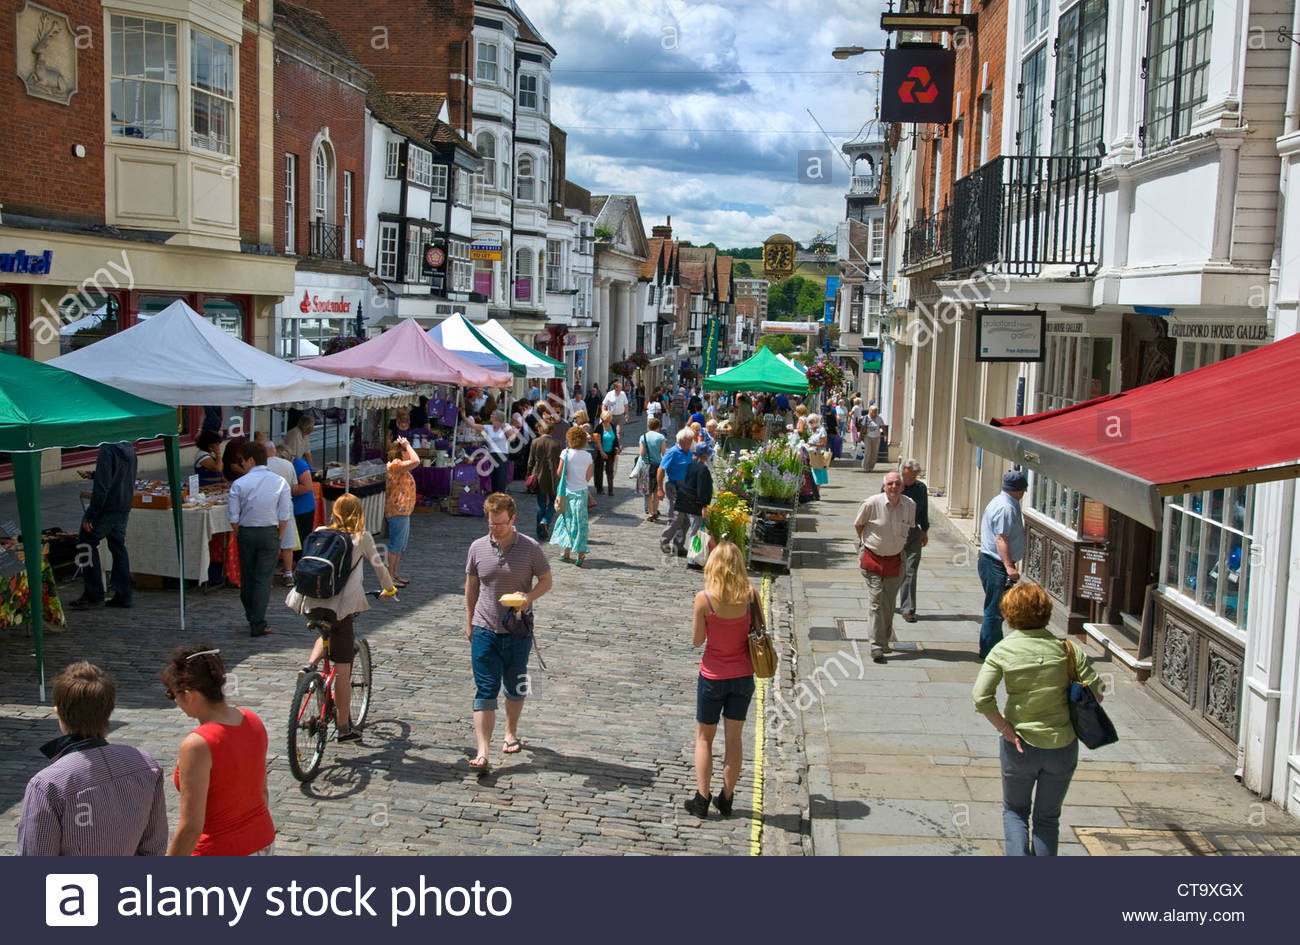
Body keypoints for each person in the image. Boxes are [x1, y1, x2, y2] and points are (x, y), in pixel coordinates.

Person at [973, 582, 1103, 856]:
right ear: (1045, 612)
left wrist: (1005, 729)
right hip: (1061, 745)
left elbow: (981, 697)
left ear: (1009, 616)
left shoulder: (1002, 650)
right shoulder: (1068, 650)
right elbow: (1098, 693)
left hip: (1019, 744)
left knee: (1015, 812)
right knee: (1047, 819)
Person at [18, 661, 168, 855]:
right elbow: (153, 850)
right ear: (109, 711)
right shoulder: (146, 766)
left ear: (58, 713)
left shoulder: (47, 786)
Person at [287, 494, 397, 740]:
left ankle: (310, 666)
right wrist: (389, 589)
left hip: (311, 601)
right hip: (340, 607)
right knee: (343, 668)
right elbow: (381, 568)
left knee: (324, 633)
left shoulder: (319, 531)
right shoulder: (362, 537)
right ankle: (345, 727)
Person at [464, 493, 553, 773]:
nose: (495, 529)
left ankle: (511, 731)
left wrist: (528, 597)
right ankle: (482, 752)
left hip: (517, 631)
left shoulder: (530, 548)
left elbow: (547, 581)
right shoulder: (477, 547)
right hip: (484, 628)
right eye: (491, 524)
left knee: (515, 687)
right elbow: (471, 588)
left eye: (500, 524)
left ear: (512, 519)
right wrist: (470, 622)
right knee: (485, 689)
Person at [161, 645, 275, 855]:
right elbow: (262, 792)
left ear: (188, 694)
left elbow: (191, 827)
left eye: (172, 694)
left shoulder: (197, 745)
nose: (175, 701)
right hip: (262, 841)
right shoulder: (252, 719)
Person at [684, 541, 757, 819]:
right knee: (734, 740)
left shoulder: (705, 599)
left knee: (704, 738)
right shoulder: (751, 596)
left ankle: (702, 798)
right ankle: (726, 798)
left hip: (713, 676)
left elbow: (697, 640)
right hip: (742, 676)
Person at [227, 440, 292, 638]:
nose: (242, 465)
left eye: (243, 461)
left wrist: (240, 532)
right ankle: (257, 620)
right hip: (269, 531)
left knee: (248, 576)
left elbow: (233, 517)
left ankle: (253, 617)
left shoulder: (239, 483)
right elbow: (284, 514)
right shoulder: (280, 482)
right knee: (263, 578)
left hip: (247, 531)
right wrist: (279, 535)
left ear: (251, 460)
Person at [853, 471, 916, 664]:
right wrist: (867, 544)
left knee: (888, 604)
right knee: (876, 601)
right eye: (890, 484)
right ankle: (876, 646)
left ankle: (884, 640)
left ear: (903, 487)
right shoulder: (871, 503)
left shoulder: (910, 505)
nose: (894, 487)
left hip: (895, 560)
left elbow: (910, 529)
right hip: (873, 558)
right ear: (884, 486)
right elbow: (859, 525)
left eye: (897, 484)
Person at [69, 441, 137, 610]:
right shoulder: (128, 448)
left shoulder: (108, 450)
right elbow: (119, 474)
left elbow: (102, 487)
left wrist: (90, 515)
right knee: (118, 546)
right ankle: (123, 593)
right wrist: (95, 474)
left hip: (108, 507)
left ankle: (94, 594)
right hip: (122, 504)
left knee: (85, 542)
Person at [979, 470, 1028, 660]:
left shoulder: (1000, 501)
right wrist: (1009, 567)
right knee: (994, 610)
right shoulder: (1006, 508)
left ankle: (993, 648)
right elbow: (1001, 539)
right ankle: (990, 651)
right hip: (995, 564)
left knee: (997, 609)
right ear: (1020, 490)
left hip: (991, 562)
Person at [551, 426, 595, 566]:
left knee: (566, 520)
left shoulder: (566, 453)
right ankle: (580, 553)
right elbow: (588, 478)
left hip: (568, 492)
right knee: (579, 522)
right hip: (581, 492)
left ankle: (566, 551)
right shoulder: (588, 456)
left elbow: (559, 472)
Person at [263, 440, 301, 586]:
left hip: (267, 505)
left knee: (270, 540)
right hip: (285, 503)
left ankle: (269, 573)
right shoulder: (288, 464)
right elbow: (293, 486)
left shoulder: (262, 465)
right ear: (274, 450)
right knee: (287, 542)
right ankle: (288, 573)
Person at [897, 460, 930, 623]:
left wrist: (924, 530)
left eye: (916, 475)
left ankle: (908, 608)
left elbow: (923, 511)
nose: (914, 478)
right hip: (895, 532)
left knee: (910, 570)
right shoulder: (893, 484)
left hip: (913, 532)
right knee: (893, 570)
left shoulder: (920, 488)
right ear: (904, 470)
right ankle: (887, 601)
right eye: (912, 474)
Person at [385, 436, 420, 586]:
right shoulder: (395, 465)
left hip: (403, 511)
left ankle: (394, 574)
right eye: (406, 451)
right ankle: (389, 577)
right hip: (397, 511)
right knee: (395, 545)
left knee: (400, 545)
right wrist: (407, 445)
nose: (409, 452)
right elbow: (416, 460)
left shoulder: (400, 467)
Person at [657, 427, 697, 556]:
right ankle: (664, 540)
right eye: (690, 440)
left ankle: (679, 545)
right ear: (682, 440)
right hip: (674, 487)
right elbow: (661, 470)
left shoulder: (689, 452)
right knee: (677, 516)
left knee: (685, 518)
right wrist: (659, 489)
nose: (692, 442)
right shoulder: (672, 452)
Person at [675, 442, 715, 556]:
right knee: (694, 531)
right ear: (706, 455)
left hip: (683, 499)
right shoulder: (703, 470)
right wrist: (704, 505)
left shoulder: (689, 464)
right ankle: (692, 558)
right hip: (694, 503)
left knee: (682, 526)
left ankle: (677, 547)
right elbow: (703, 489)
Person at [526, 420, 563, 541]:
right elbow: (560, 462)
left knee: (541, 504)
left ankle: (540, 532)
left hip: (538, 475)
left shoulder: (535, 442)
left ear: (540, 429)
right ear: (552, 430)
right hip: (553, 477)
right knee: (553, 503)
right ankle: (545, 521)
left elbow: (530, 461)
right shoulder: (557, 443)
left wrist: (528, 475)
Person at [462, 409, 514, 495]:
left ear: (497, 417)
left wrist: (503, 426)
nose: (490, 416)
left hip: (502, 456)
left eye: (492, 415)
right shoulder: (488, 427)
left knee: (500, 480)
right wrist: (464, 417)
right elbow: (473, 425)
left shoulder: (506, 426)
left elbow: (513, 438)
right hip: (492, 455)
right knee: (493, 479)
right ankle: (494, 498)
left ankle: (500, 498)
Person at [288, 447, 316, 561]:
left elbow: (307, 486)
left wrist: (286, 489)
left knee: (302, 537)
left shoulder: (299, 465)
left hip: (302, 507)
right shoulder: (294, 464)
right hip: (296, 507)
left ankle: (302, 562)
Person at [638, 417, 667, 521]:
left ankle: (650, 513)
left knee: (647, 491)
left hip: (646, 465)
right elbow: (664, 453)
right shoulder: (661, 437)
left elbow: (641, 453)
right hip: (658, 465)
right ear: (658, 427)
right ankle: (655, 511)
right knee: (656, 489)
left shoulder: (643, 437)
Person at [593, 410, 621, 496]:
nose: (611, 418)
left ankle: (610, 490)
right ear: (606, 418)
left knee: (610, 471)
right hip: (600, 452)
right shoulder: (598, 427)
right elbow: (597, 441)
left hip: (610, 452)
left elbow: (615, 438)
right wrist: (602, 452)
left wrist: (617, 447)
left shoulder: (612, 425)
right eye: (610, 416)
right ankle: (599, 488)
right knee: (599, 471)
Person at [859, 405, 884, 472]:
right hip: (868, 437)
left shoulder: (879, 418)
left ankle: (871, 466)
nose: (875, 413)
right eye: (874, 412)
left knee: (874, 452)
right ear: (870, 411)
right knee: (868, 451)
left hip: (876, 437)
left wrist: (885, 435)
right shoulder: (866, 418)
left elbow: (883, 426)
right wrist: (860, 437)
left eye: (876, 412)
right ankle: (865, 466)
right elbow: (862, 427)